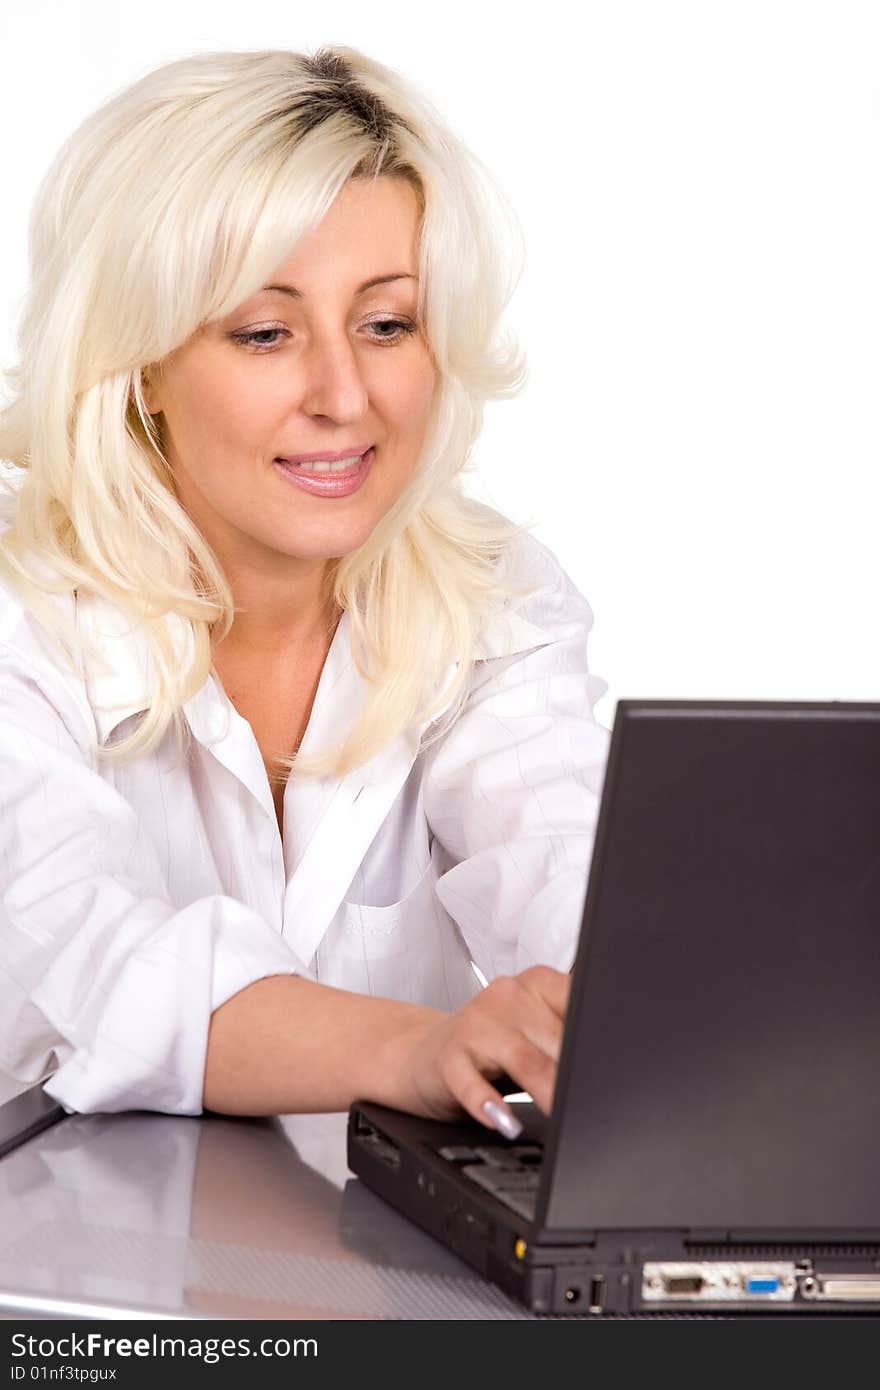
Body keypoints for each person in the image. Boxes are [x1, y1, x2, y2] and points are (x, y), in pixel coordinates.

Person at [0, 46, 609, 1141]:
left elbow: (579, 887)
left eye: (387, 323)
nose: (345, 395)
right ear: (139, 365)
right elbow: (92, 964)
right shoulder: (20, 618)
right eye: (265, 332)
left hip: (363, 1278)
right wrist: (422, 1047)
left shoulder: (490, 600)